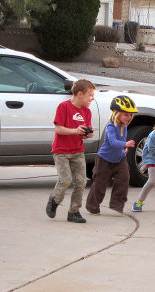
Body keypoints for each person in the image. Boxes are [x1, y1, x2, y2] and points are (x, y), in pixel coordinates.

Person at [46, 79, 96, 223]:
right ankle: (54, 200)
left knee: (81, 183)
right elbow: (59, 129)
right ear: (80, 94)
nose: (92, 99)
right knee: (65, 180)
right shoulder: (64, 107)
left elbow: (86, 133)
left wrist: (88, 133)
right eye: (90, 95)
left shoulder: (87, 111)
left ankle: (74, 212)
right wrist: (75, 130)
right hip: (61, 151)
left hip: (77, 151)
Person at [86, 95, 138, 215]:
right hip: (104, 159)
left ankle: (117, 205)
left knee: (124, 179)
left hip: (119, 158)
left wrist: (124, 148)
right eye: (126, 114)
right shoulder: (110, 126)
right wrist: (125, 144)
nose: (129, 117)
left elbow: (120, 143)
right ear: (116, 113)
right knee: (100, 183)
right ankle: (92, 206)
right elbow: (113, 142)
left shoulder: (124, 126)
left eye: (130, 115)